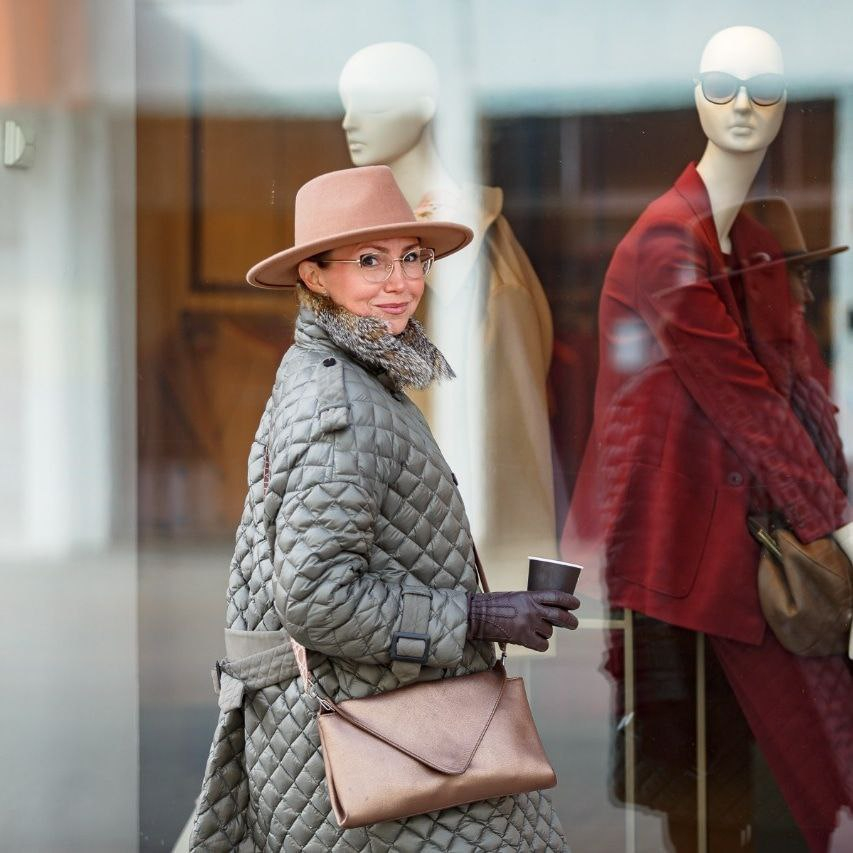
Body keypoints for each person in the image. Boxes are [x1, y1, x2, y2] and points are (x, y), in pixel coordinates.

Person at [190, 165, 578, 852]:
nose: (400, 282)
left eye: (412, 257)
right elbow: (315, 596)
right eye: (369, 261)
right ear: (314, 276)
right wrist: (480, 615)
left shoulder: (346, 374)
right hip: (368, 744)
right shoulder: (340, 404)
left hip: (379, 730)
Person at [561, 26, 852, 852]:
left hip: (749, 566)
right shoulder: (665, 241)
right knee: (710, 804)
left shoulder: (749, 244)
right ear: (696, 98)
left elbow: (796, 392)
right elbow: (743, 400)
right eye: (721, 85)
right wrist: (837, 524)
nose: (741, 106)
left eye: (762, 89)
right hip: (680, 571)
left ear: (784, 105)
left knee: (783, 787)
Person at [339, 43, 557, 591]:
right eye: (345, 103)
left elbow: (512, 458)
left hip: (442, 577)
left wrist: (515, 600)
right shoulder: (378, 245)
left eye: (369, 102)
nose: (348, 122)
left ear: (425, 105)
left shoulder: (478, 266)